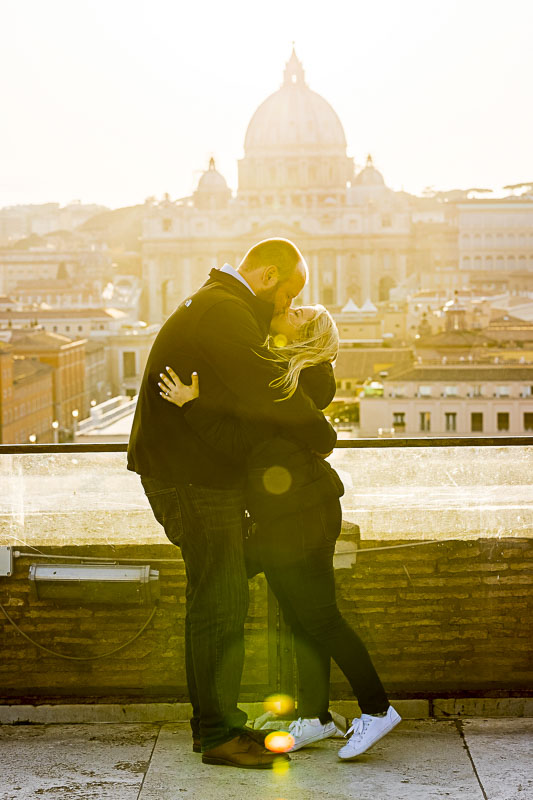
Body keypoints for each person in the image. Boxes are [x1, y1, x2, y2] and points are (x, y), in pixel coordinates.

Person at [159, 303, 401, 761]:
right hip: (287, 515)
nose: (288, 309)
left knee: (322, 618)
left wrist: (193, 407)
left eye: (299, 313)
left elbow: (243, 441)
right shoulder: (286, 377)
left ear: (308, 335)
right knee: (300, 621)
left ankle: (377, 709)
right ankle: (316, 717)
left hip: (301, 515)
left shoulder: (299, 382)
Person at [127, 239, 336, 769]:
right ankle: (219, 734)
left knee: (213, 598)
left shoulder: (219, 303)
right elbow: (267, 389)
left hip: (187, 473)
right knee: (221, 602)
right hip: (190, 479)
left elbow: (244, 395)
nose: (285, 308)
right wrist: (321, 432)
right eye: (286, 295)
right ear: (266, 276)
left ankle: (212, 725)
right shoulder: (226, 311)